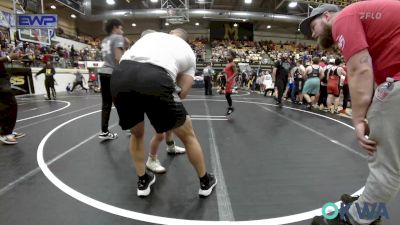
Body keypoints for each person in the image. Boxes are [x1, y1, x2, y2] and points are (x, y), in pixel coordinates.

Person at [300, 1, 400, 224]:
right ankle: (368, 204)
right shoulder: (371, 19)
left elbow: (359, 69)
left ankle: (356, 220)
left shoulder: (344, 18)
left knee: (386, 164)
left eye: (313, 27)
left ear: (327, 16)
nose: (314, 36)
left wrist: (357, 120)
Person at [110, 28, 217, 197]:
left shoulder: (152, 36)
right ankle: (205, 182)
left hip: (120, 77)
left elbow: (128, 60)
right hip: (155, 78)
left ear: (169, 33)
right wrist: (161, 104)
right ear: (185, 40)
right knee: (188, 135)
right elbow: (182, 93)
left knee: (137, 134)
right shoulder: (188, 51)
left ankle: (143, 180)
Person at [98, 19, 125, 140]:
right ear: (115, 27)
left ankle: (104, 131)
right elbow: (118, 58)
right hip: (113, 73)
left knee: (106, 103)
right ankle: (127, 124)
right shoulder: (118, 37)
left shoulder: (105, 40)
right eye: (121, 28)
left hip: (103, 72)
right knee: (122, 100)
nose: (122, 30)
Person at [0, 31, 25, 144]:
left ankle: (7, 130)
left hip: (2, 77)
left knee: (6, 105)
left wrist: (12, 56)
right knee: (9, 104)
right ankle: (5, 133)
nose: (3, 38)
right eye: (1, 36)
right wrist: (9, 57)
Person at [224, 49, 238, 116]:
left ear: (233, 57)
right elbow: (227, 71)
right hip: (228, 81)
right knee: (227, 95)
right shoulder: (228, 64)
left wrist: (229, 79)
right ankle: (230, 108)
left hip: (230, 81)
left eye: (228, 55)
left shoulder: (233, 64)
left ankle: (230, 108)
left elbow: (236, 72)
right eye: (226, 55)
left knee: (227, 95)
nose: (227, 56)